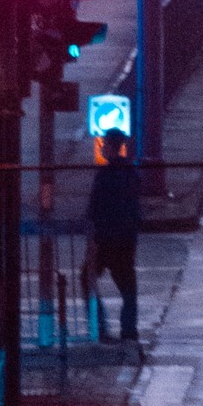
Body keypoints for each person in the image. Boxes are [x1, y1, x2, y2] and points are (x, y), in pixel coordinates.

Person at [86, 128, 142, 343]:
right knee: (128, 289)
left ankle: (100, 327)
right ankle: (128, 331)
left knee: (88, 281)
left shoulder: (105, 175)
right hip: (124, 242)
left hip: (105, 241)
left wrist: (93, 240)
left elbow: (95, 210)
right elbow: (133, 211)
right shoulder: (131, 174)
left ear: (109, 146)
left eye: (104, 145)